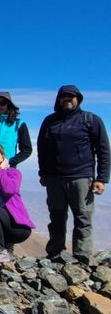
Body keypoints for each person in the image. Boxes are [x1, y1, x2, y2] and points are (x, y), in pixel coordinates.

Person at [37, 85, 110, 264]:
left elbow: (104, 150)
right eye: (64, 96)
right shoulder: (50, 121)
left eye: (71, 96)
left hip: (81, 177)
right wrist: (43, 172)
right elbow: (42, 149)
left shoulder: (91, 120)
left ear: (78, 99)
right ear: (58, 99)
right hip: (54, 179)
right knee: (56, 217)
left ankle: (82, 256)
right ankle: (55, 254)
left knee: (83, 218)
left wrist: (101, 178)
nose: (67, 99)